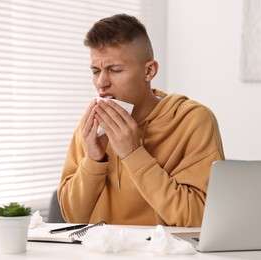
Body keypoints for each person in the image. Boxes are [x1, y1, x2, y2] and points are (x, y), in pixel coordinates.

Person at [58, 13, 225, 227]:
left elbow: (198, 218)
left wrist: (133, 153)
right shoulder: (92, 123)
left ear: (149, 71)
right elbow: (72, 217)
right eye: (95, 71)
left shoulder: (193, 120)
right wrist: (93, 160)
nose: (101, 83)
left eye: (114, 70)